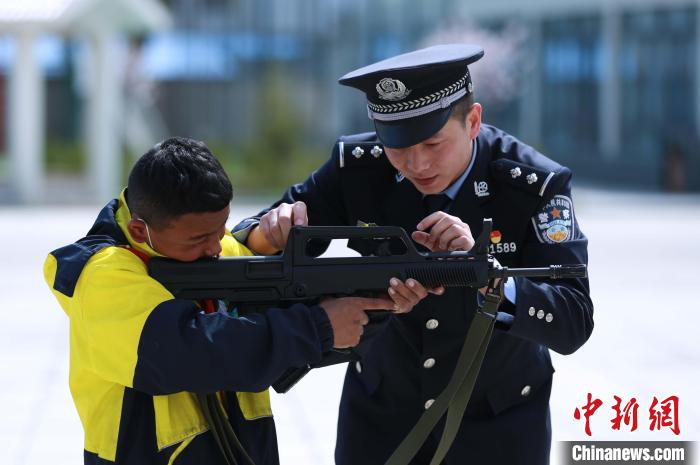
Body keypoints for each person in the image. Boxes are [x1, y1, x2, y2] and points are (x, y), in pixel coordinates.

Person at [233, 44, 594, 464]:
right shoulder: (360, 170)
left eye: (432, 143)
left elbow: (574, 319)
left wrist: (489, 275)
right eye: (397, 145)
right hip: (381, 419)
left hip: (497, 425)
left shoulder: (530, 185)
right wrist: (270, 233)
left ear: (473, 121)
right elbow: (261, 234)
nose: (415, 163)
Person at [42, 137, 420, 465]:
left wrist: (377, 302)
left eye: (220, 228)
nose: (215, 247)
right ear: (141, 229)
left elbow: (282, 330)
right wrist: (318, 327)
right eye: (197, 239)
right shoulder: (103, 274)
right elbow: (189, 351)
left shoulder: (215, 249)